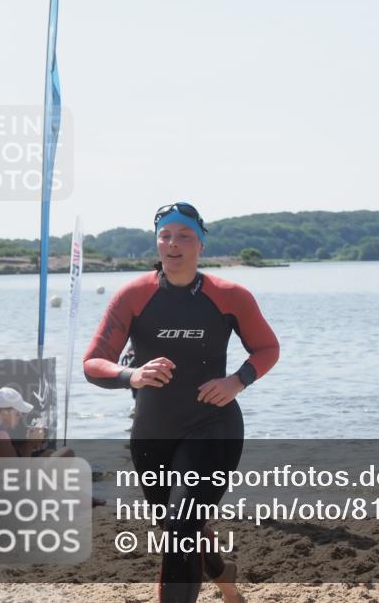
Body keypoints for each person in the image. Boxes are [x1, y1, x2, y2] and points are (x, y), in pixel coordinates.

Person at [84, 202, 280, 603]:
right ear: (157, 243)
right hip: (153, 432)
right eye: (165, 235)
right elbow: (92, 363)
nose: (173, 244)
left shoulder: (230, 296)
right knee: (180, 527)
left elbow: (267, 348)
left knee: (181, 524)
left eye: (184, 236)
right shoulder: (133, 295)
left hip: (213, 425)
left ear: (200, 245)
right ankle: (225, 577)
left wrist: (237, 381)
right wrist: (131, 375)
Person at [0, 387, 74, 458]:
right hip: (2, 485)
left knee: (49, 454)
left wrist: (29, 442)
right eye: (18, 412)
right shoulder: (0, 435)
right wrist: (30, 444)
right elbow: (18, 473)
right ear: (4, 412)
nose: (21, 416)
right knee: (67, 453)